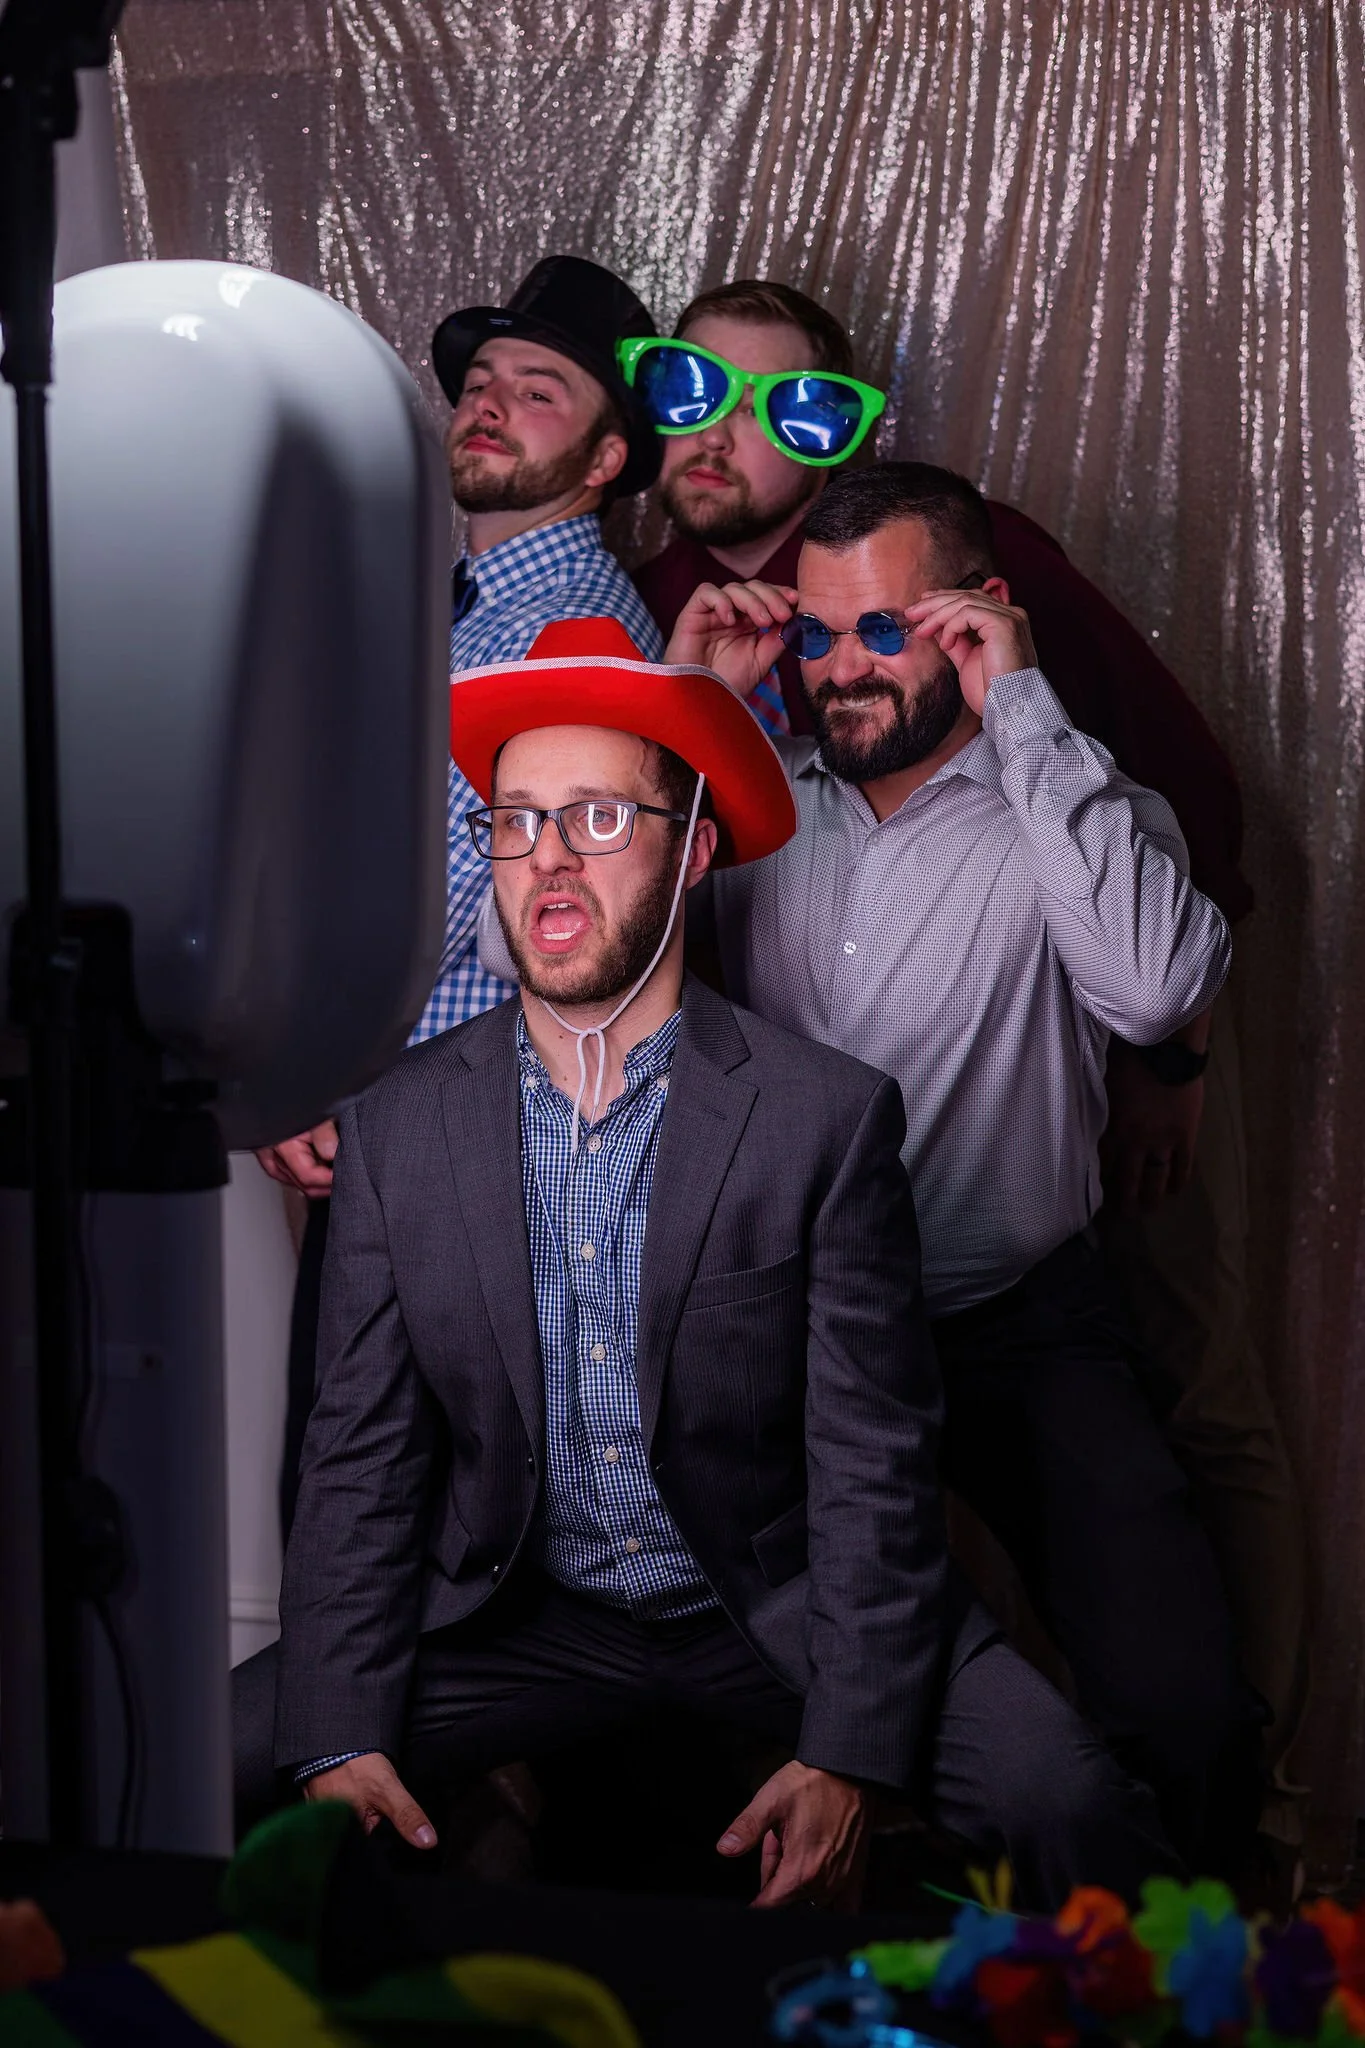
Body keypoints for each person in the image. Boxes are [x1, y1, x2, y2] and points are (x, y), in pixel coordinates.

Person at [233, 616, 1177, 1911]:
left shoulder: (821, 1119)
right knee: (212, 1759)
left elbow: (872, 1464)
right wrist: (339, 1736)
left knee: (1059, 1795)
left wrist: (847, 1752)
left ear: (694, 852)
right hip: (521, 1615)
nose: (548, 861)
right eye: (515, 822)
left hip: (767, 1603)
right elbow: (358, 1459)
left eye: (598, 822)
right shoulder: (400, 1128)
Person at [632, 281, 1306, 1848]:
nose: (843, 670)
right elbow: (596, 976)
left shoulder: (1074, 804)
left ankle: (1205, 1943)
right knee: (734, 1702)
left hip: (1016, 1320)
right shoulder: (751, 786)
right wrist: (692, 721)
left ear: (977, 613)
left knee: (1176, 1699)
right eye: (816, 635)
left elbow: (1151, 982)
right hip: (799, 1329)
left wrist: (1020, 708)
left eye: (887, 630)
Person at [255, 255, 666, 1532]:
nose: (487, 404)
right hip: (381, 1123)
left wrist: (318, 1068)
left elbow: (533, 918)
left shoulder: (578, 635)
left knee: (390, 1521)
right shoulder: (447, 609)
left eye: (539, 391)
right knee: (360, 1509)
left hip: (471, 1145)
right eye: (479, 383)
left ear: (604, 460)